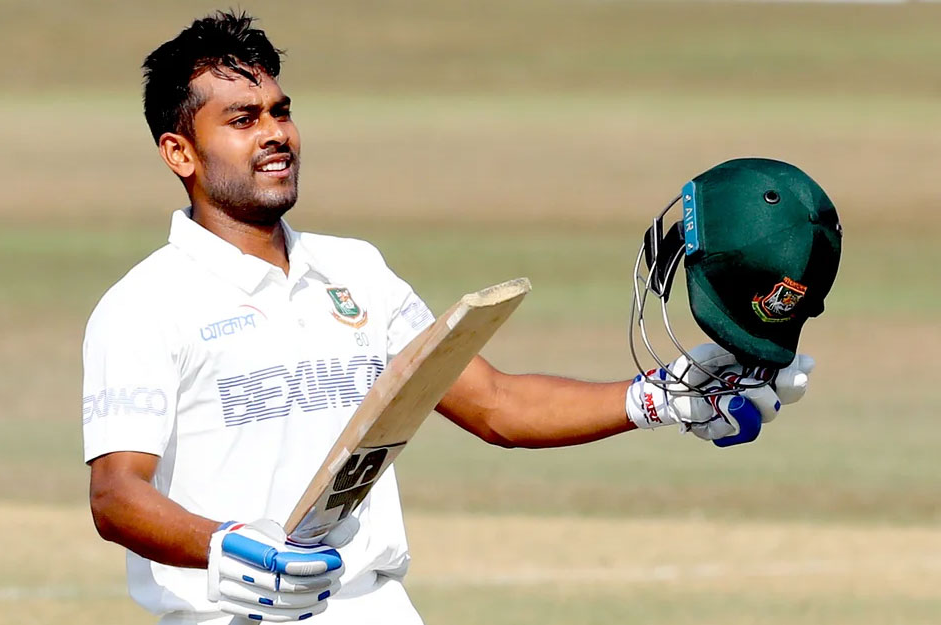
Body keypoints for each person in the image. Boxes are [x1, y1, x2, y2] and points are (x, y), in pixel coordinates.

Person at [81, 11, 837, 625]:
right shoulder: (144, 305)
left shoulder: (354, 271)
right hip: (236, 613)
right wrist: (226, 548)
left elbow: (496, 404)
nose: (275, 133)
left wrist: (658, 397)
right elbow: (116, 494)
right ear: (180, 152)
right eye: (242, 119)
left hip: (378, 607)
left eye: (281, 112)